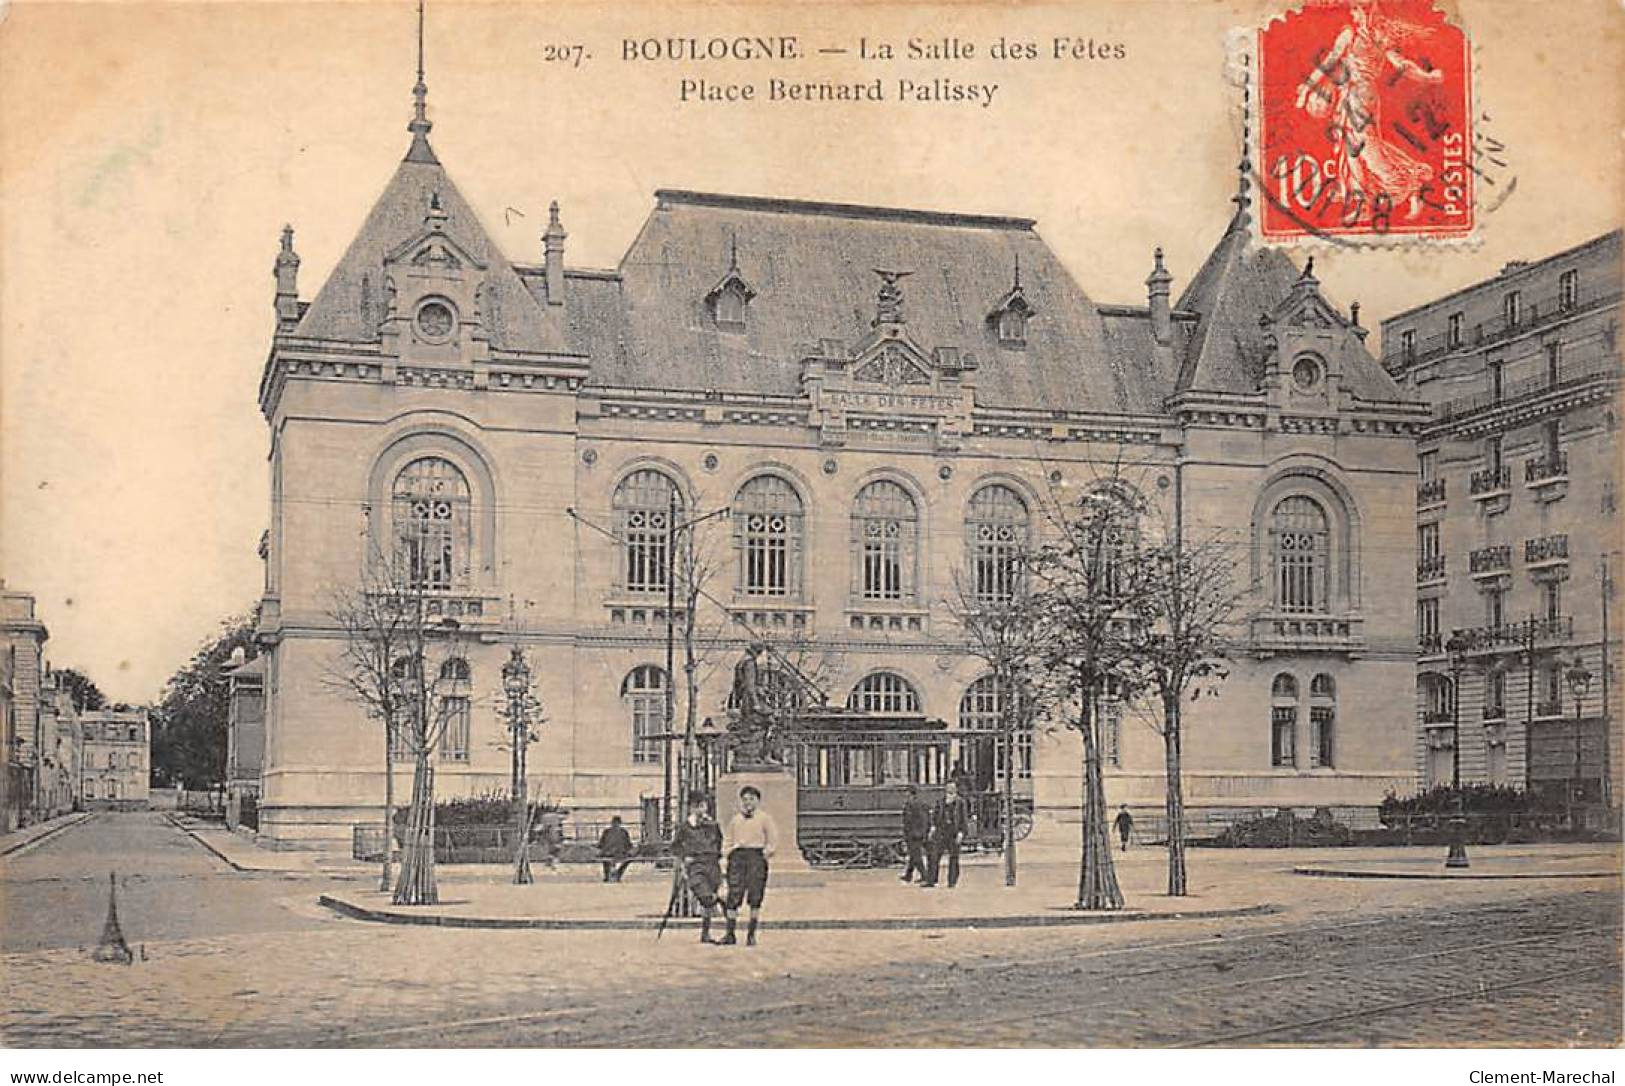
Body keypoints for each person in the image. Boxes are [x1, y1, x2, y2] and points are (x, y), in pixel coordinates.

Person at [721, 784, 777, 946]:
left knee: (755, 893)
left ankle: (751, 934)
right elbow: (728, 839)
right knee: (734, 893)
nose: (747, 803)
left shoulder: (764, 819)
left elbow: (772, 839)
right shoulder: (736, 820)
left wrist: (765, 854)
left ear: (758, 801)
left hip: (756, 858)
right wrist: (728, 854)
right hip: (738, 858)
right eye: (744, 799)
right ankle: (730, 933)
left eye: (751, 799)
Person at [670, 790, 723, 943]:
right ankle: (720, 901)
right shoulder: (685, 827)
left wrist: (717, 854)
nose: (700, 810)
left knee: (708, 901)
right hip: (695, 865)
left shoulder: (713, 825)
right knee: (706, 896)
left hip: (712, 864)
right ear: (691, 808)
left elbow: (719, 841)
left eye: (703, 806)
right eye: (696, 806)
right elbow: (675, 847)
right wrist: (685, 856)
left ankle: (705, 933)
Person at [925, 781, 968, 889]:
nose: (950, 790)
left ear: (956, 789)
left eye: (952, 788)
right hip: (941, 831)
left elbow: (963, 819)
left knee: (953, 857)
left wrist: (961, 833)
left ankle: (952, 881)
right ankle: (931, 880)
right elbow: (935, 816)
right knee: (934, 856)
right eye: (948, 788)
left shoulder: (960, 802)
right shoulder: (940, 802)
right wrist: (933, 828)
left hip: (954, 832)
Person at [899, 784, 931, 883]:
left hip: (914, 833)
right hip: (917, 832)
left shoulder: (912, 804)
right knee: (913, 855)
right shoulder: (920, 803)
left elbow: (911, 820)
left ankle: (925, 875)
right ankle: (909, 875)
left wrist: (916, 832)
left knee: (916, 855)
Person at [597, 815, 634, 882]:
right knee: (628, 860)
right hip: (620, 854)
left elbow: (601, 844)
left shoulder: (607, 831)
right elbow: (628, 844)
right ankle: (618, 874)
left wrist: (601, 850)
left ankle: (607, 875)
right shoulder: (623, 832)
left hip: (608, 853)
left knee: (605, 860)